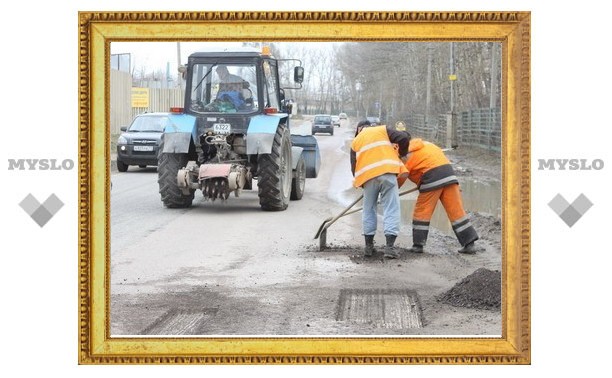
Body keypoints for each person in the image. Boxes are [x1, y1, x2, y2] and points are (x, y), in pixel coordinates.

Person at [397, 137, 479, 254]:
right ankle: (469, 243)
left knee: (422, 211)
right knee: (456, 211)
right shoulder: (427, 145)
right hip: (449, 175)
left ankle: (418, 245)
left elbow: (403, 174)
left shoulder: (404, 154)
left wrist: (394, 188)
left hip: (431, 177)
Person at [350, 120, 411, 259]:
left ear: (358, 130)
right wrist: (402, 154)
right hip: (387, 173)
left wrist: (363, 184)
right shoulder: (382, 130)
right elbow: (403, 137)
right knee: (391, 208)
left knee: (368, 209)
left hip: (368, 178)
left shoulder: (355, 141)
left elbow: (353, 167)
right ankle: (389, 248)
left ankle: (368, 247)